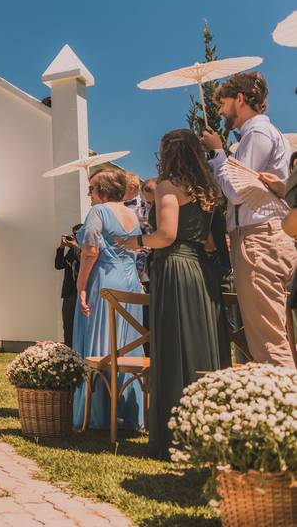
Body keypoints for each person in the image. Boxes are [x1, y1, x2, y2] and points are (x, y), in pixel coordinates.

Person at [119, 130, 231, 459]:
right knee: (201, 342)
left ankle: (176, 434)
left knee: (173, 346)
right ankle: (208, 429)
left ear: (169, 154)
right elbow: (211, 242)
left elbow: (166, 235)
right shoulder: (207, 190)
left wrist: (135, 243)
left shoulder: (169, 186)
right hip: (200, 271)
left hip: (174, 269)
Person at [201, 71, 296, 367]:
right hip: (266, 238)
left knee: (268, 343)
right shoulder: (260, 135)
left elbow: (236, 191)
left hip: (258, 240)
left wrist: (218, 154)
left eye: (223, 102)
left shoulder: (256, 133)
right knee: (275, 336)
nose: (218, 110)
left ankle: (283, 411)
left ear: (240, 99)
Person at [73, 169, 145, 431]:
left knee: (103, 343)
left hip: (105, 279)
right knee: (127, 344)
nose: (89, 195)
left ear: (102, 191)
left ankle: (99, 413)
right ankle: (127, 409)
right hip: (131, 282)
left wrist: (81, 286)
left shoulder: (99, 212)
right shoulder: (131, 214)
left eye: (91, 189)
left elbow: (90, 251)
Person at [54, 224, 82, 348]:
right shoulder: (73, 250)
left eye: (77, 234)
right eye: (73, 234)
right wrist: (61, 247)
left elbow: (82, 262)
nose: (74, 237)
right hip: (69, 293)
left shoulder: (86, 250)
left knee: (80, 326)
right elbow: (59, 265)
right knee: (68, 325)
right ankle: (69, 351)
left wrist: (76, 246)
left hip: (82, 292)